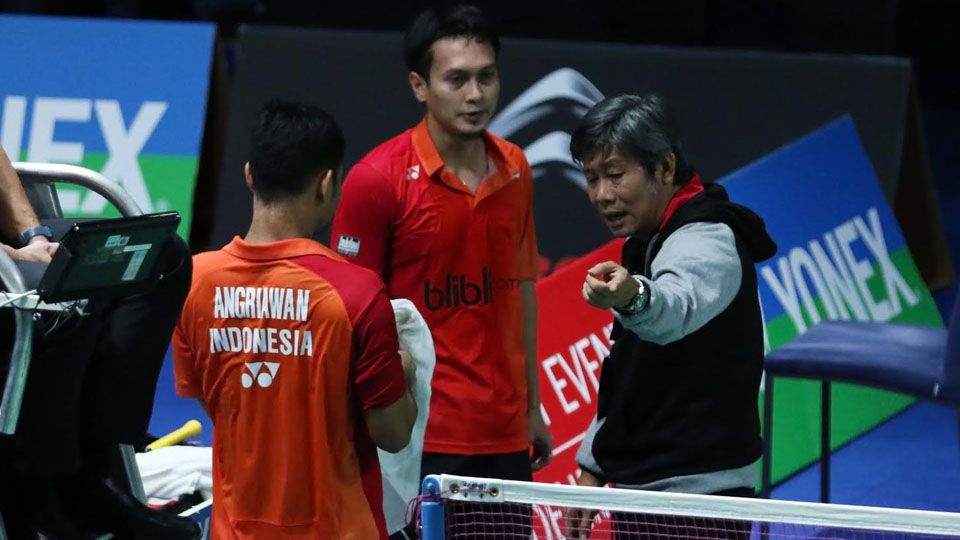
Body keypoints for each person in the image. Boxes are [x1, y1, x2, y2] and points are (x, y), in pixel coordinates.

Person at [330, 4, 553, 493]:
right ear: (419, 86)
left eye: (487, 77)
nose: (476, 95)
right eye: (457, 80)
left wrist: (532, 407)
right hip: (417, 433)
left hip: (504, 434)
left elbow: (520, 292)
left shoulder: (516, 168)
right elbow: (348, 317)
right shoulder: (377, 180)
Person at [172, 100, 418, 540]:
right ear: (327, 183)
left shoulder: (193, 282)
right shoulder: (357, 293)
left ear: (250, 175)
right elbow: (393, 434)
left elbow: (221, 403)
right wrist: (408, 374)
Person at [563, 94, 777, 540]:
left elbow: (671, 309)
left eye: (616, 175)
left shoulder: (708, 240)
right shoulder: (646, 239)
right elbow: (630, 373)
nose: (602, 195)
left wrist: (633, 295)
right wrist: (593, 463)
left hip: (696, 503)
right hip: (648, 484)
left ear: (664, 167)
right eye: (592, 178)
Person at [0, 144, 200, 539]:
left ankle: (99, 466)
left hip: (13, 251)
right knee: (73, 291)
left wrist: (35, 238)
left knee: (159, 257)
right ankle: (43, 487)